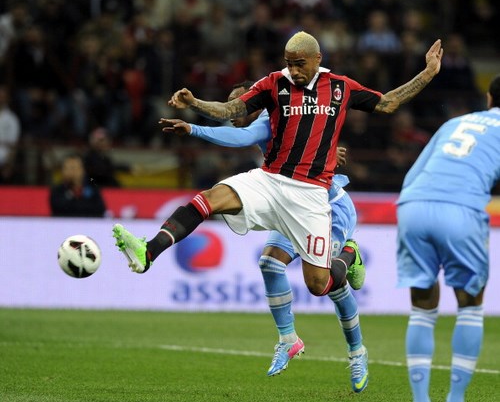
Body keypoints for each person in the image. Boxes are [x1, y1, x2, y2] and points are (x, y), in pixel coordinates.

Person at [113, 31, 442, 384]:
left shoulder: (340, 87)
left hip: (314, 197)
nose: (293, 71)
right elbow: (232, 110)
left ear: (317, 59)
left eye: (299, 64)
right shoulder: (273, 84)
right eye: (288, 63)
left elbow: (388, 103)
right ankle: (149, 251)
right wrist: (195, 102)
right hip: (271, 180)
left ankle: (349, 259)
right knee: (212, 199)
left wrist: (428, 73)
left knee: (320, 285)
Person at [162, 81, 368, 391]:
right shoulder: (280, 119)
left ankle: (356, 349)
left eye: (240, 105)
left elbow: (240, 137)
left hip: (328, 210)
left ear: (256, 105)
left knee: (326, 285)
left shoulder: (266, 120)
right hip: (292, 207)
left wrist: (193, 128)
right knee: (270, 263)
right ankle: (288, 339)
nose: (235, 112)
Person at [396, 74, 500, 402]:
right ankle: (455, 398)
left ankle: (420, 399)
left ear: (489, 98)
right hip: (460, 211)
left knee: (422, 308)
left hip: (412, 207)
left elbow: (413, 175)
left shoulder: (455, 123)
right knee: (469, 305)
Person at [50, 153, 106, 217]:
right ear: (62, 171)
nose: (71, 172)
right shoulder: (57, 191)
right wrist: (71, 195)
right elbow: (57, 208)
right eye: (68, 168)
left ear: (82, 170)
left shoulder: (93, 188)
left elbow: (100, 209)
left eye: (74, 168)